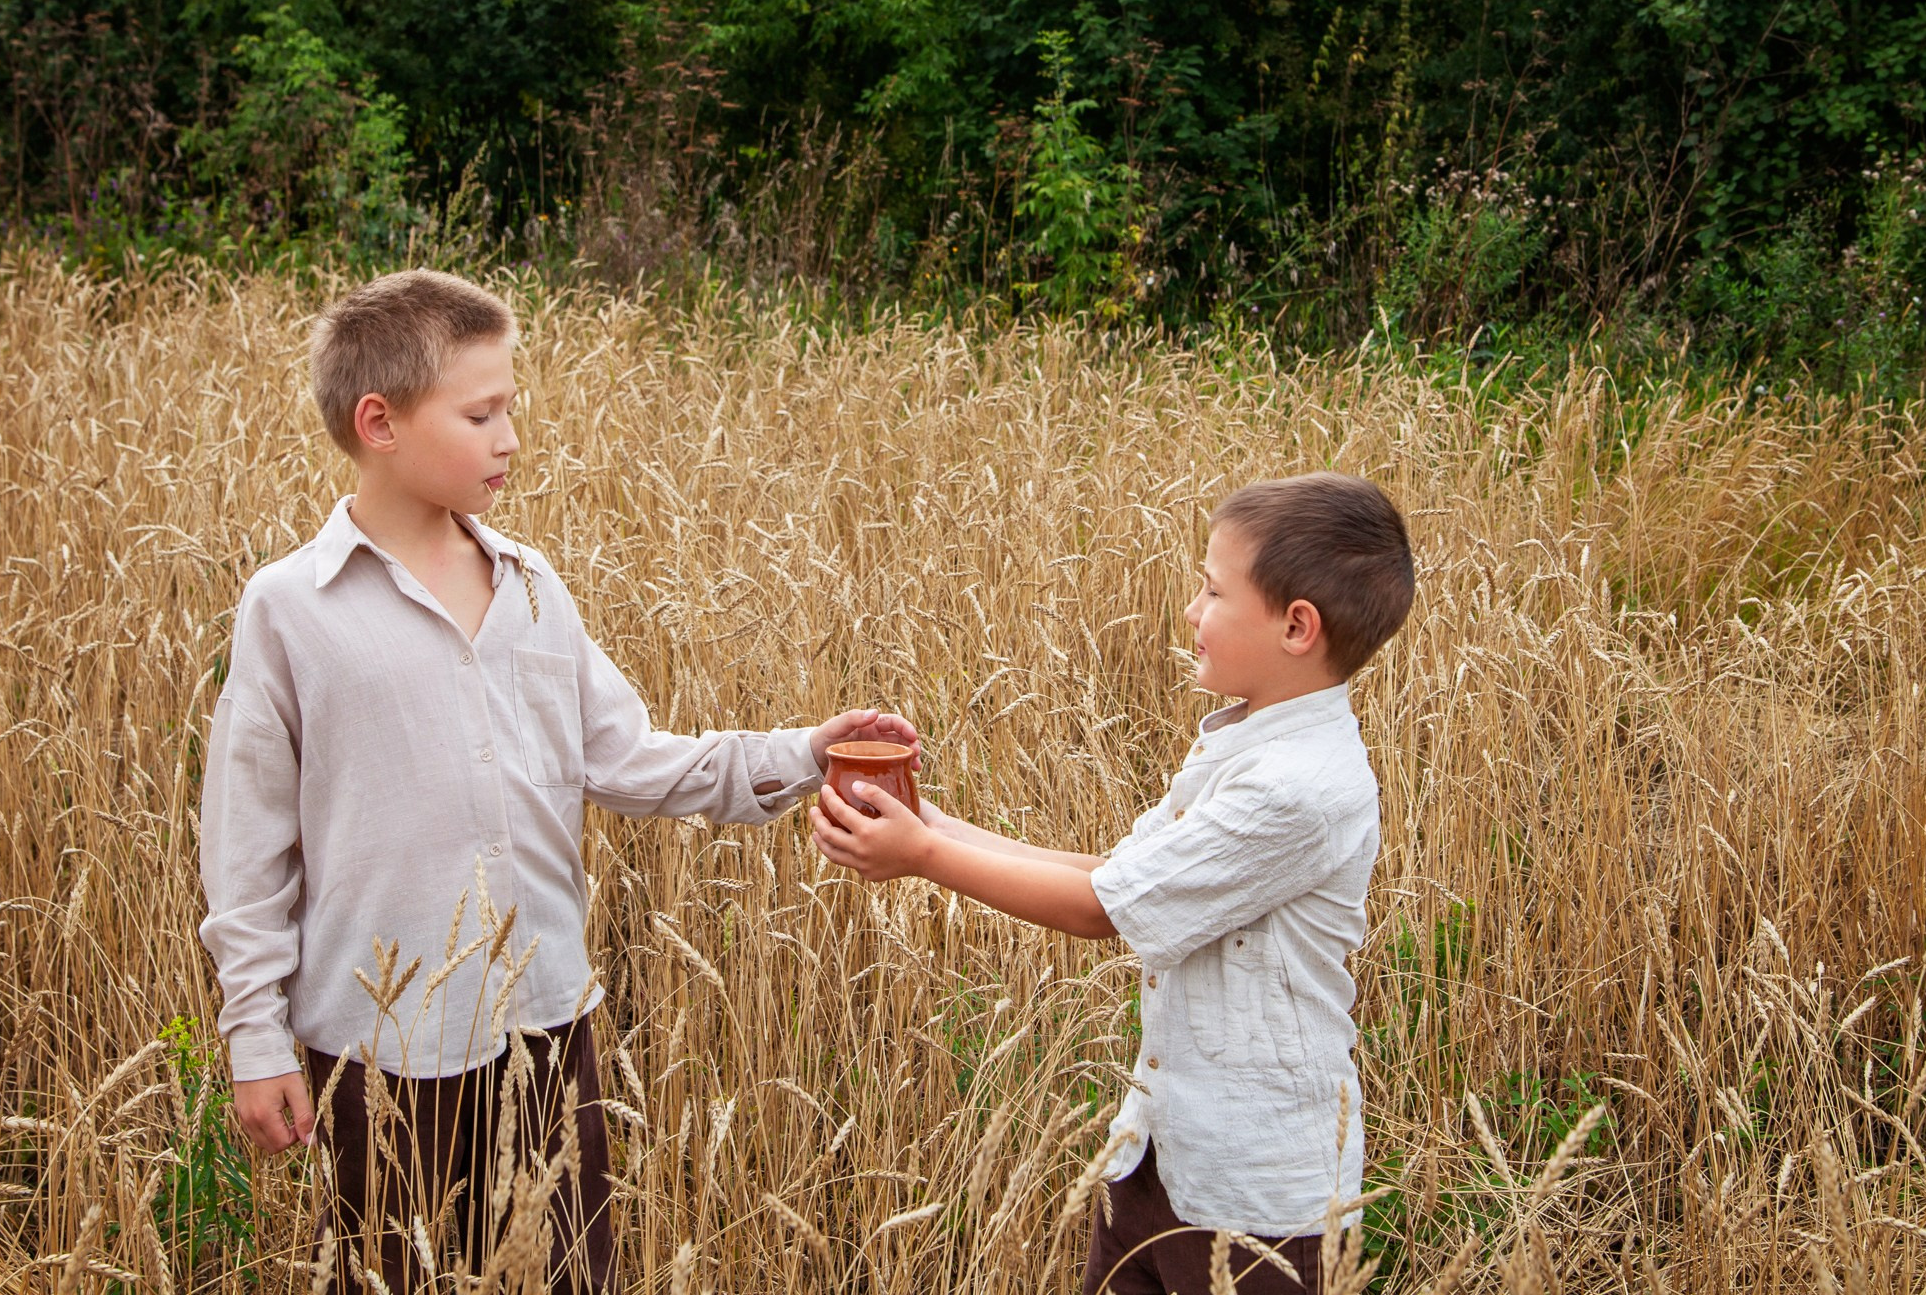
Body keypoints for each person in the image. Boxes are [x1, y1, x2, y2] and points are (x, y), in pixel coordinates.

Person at [199, 269, 917, 1294]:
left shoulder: (533, 587)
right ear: (379, 421)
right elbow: (245, 844)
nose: (510, 438)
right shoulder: (290, 609)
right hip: (379, 1045)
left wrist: (802, 751)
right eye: (481, 412)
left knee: (574, 1272)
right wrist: (253, 1034)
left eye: (512, 411)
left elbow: (630, 760)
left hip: (543, 1022)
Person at [812, 473, 1413, 1295]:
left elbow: (1104, 910)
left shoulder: (1297, 790)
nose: (1192, 612)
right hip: (1160, 1157)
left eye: (1212, 590)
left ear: (1296, 626)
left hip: (1254, 1203)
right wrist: (927, 821)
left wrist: (921, 856)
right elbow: (1116, 875)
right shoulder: (1244, 746)